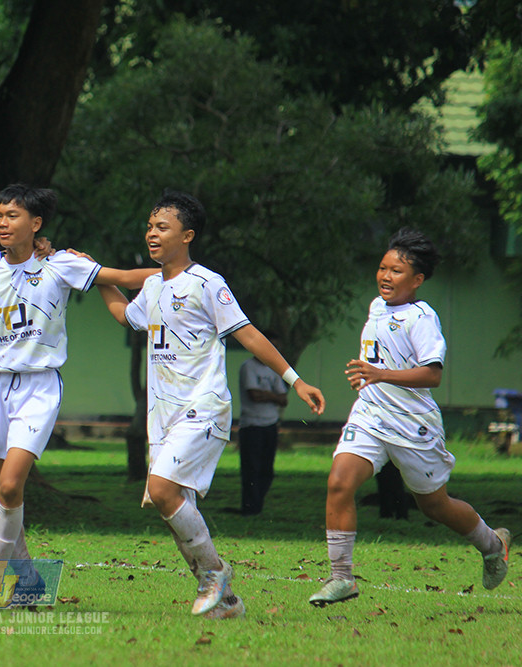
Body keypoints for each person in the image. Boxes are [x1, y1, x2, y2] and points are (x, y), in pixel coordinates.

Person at [95, 189, 325, 620]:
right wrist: (93, 275)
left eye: (162, 227)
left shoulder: (207, 283)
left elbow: (248, 334)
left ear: (188, 235)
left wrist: (295, 380)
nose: (151, 233)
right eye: (149, 226)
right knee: (172, 506)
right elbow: (125, 316)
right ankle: (228, 603)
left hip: (203, 406)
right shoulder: (151, 286)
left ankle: (214, 574)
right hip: (161, 417)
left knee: (163, 490)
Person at [0, 184, 158, 609]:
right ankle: (28, 580)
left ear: (36, 224)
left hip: (39, 386)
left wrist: (177, 270)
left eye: (13, 216)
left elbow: (123, 278)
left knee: (9, 485)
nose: (3, 223)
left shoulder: (59, 265)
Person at [309, 228, 511, 606]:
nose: (385, 276)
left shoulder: (422, 318)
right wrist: (374, 379)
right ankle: (341, 579)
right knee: (339, 483)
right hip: (370, 415)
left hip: (413, 424)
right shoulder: (377, 306)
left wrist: (379, 373)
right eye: (383, 268)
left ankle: (491, 543)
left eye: (396, 271)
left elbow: (432, 374)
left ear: (417, 280)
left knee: (434, 506)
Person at [237, 333, 289, 516]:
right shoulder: (248, 367)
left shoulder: (274, 369)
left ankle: (257, 504)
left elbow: (284, 399)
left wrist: (267, 396)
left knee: (267, 469)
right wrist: (273, 396)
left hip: (270, 424)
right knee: (251, 468)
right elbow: (254, 395)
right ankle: (250, 506)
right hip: (252, 424)